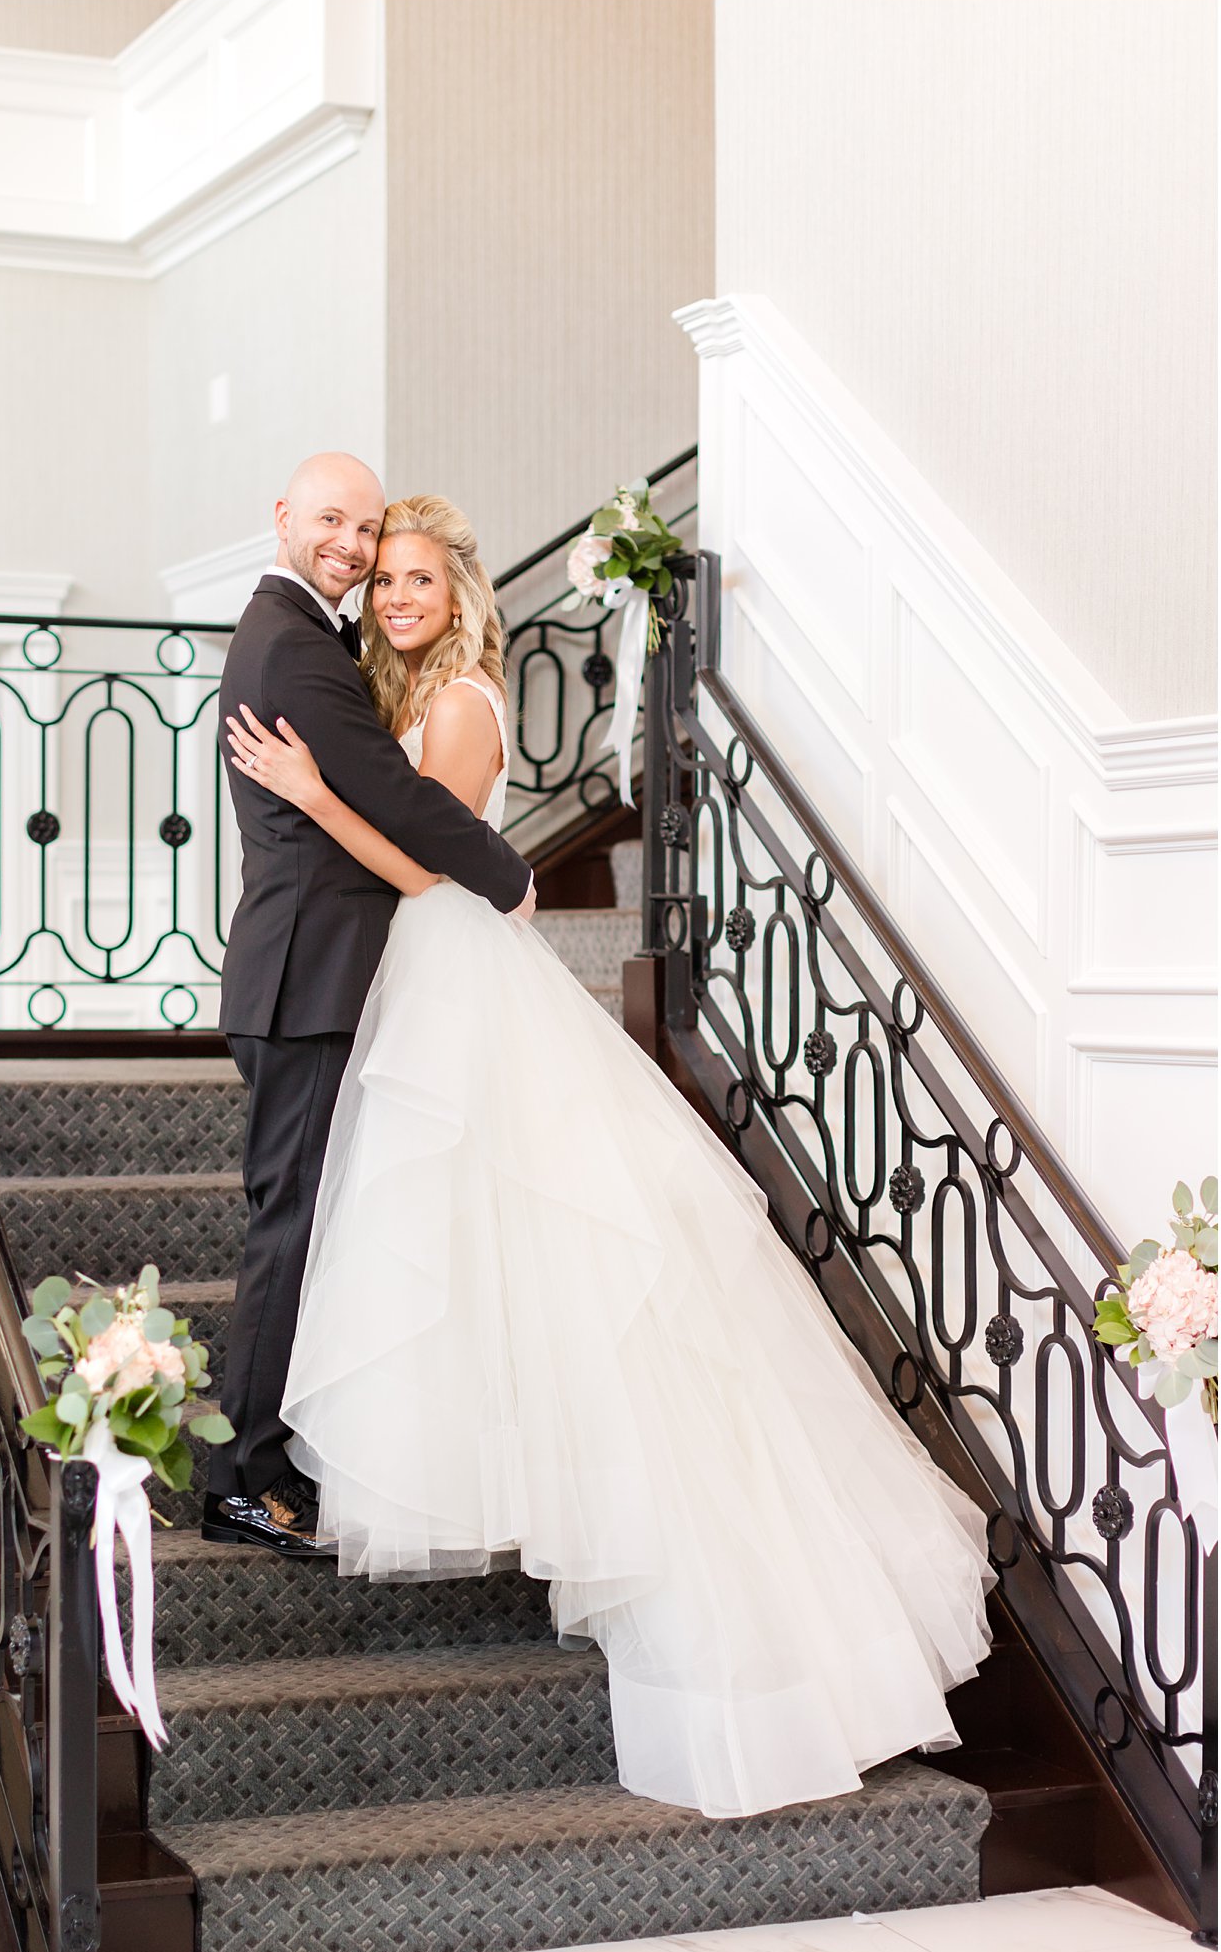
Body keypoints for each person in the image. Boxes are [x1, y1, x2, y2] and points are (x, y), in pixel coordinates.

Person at [222, 492, 997, 1821]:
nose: (397, 596)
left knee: (533, 1237)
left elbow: (424, 866)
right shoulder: (373, 681)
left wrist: (305, 789)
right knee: (446, 1242)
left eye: (417, 578)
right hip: (408, 989)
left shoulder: (462, 699)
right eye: (384, 579)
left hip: (454, 972)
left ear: (458, 592)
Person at [202, 457, 536, 1554]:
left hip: (323, 972)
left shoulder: (311, 640)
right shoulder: (296, 642)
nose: (355, 555)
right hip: (308, 980)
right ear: (283, 516)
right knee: (290, 1224)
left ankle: (284, 1453)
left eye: (374, 538)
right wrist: (505, 874)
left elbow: (384, 796)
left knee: (318, 1222)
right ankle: (243, 1477)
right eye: (335, 525)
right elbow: (394, 798)